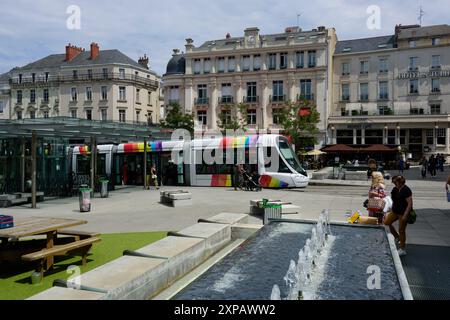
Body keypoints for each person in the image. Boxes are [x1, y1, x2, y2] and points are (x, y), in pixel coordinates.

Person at [384, 176, 413, 257]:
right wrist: (391, 208)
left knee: (401, 230)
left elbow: (410, 204)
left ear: (400, 182)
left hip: (403, 213)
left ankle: (402, 249)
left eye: (395, 182)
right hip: (395, 211)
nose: (394, 183)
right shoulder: (395, 189)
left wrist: (405, 215)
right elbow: (394, 200)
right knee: (387, 222)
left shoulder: (406, 190)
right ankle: (397, 237)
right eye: (393, 182)